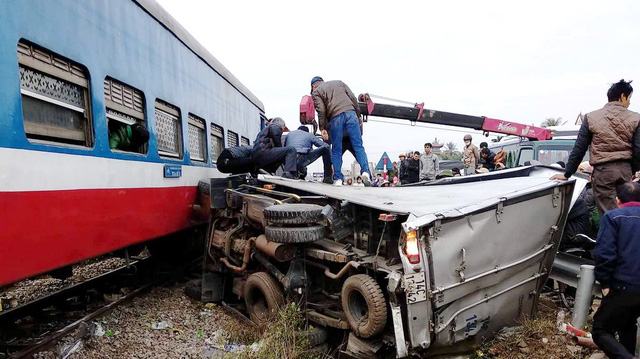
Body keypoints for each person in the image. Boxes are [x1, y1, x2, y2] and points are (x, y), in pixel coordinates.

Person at [551, 80, 640, 214]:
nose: (629, 103)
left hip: (602, 173)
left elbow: (579, 148)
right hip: (625, 171)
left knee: (608, 215)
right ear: (622, 96)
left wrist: (567, 173)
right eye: (629, 98)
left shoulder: (591, 117)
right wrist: (632, 170)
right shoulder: (636, 118)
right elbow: (638, 149)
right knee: (626, 212)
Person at [591, 181, 640, 359]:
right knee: (627, 322)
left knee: (600, 330)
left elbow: (604, 254)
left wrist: (605, 282)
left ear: (618, 200)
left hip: (625, 285)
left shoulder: (613, 217)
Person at [310, 76, 371, 186]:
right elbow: (352, 98)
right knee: (358, 146)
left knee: (336, 150)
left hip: (336, 117)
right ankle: (366, 172)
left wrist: (322, 128)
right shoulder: (339, 82)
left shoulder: (316, 92)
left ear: (313, 86)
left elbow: (321, 110)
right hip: (351, 114)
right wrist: (358, 116)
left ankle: (338, 178)